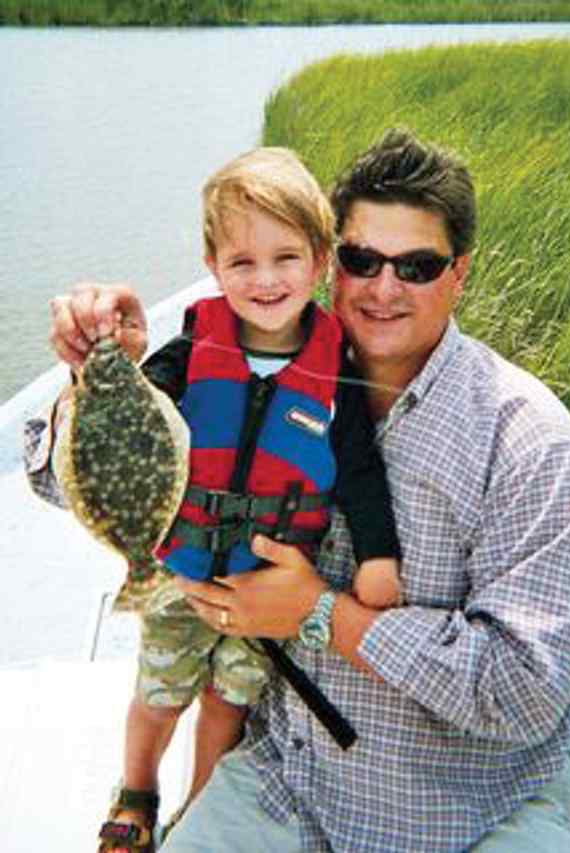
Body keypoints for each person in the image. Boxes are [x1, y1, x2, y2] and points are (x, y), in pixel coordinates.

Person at [28, 128, 570, 852]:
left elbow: (525, 690)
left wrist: (321, 613)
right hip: (285, 777)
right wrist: (104, 367)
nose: (384, 288)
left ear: (460, 273)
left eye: (418, 266)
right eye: (363, 259)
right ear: (335, 262)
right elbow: (69, 484)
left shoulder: (530, 442)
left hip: (472, 806)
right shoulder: (223, 355)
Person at [28, 146, 402, 852]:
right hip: (175, 571)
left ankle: (202, 805)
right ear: (212, 264)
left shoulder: (336, 370)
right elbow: (122, 416)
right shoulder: (189, 347)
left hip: (269, 587)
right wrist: (105, 357)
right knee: (160, 691)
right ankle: (136, 788)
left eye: (286, 258)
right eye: (242, 262)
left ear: (320, 261)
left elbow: (358, 471)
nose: (265, 280)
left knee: (228, 699)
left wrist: (379, 554)